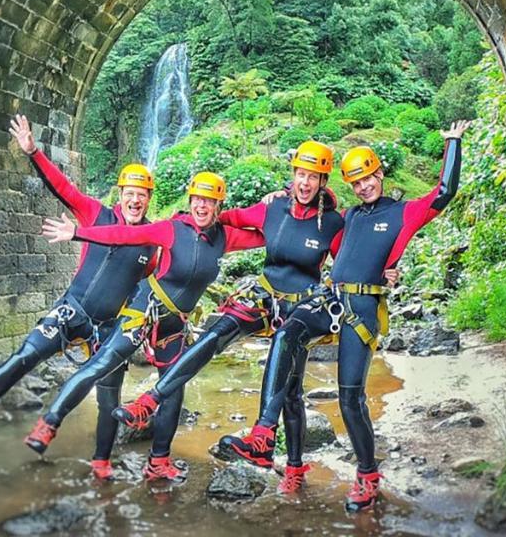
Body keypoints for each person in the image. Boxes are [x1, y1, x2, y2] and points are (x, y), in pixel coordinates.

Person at [220, 121, 469, 512]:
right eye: (356, 182)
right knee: (286, 335)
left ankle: (368, 477)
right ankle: (264, 435)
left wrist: (452, 144)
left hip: (363, 310)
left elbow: (444, 192)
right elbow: (316, 204)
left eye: (368, 178)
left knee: (350, 400)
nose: (364, 186)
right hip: (329, 300)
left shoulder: (404, 213)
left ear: (379, 175)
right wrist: (282, 195)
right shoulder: (349, 217)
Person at [109, 141, 363, 494]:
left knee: (291, 392)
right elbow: (222, 217)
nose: (305, 183)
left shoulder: (333, 223)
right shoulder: (270, 209)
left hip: (301, 308)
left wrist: (385, 274)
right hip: (262, 295)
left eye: (313, 177)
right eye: (300, 174)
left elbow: (351, 261)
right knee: (215, 334)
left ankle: (291, 468)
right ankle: (150, 400)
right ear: (293, 174)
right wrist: (185, 223)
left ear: (323, 181)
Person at [0, 115, 157, 482]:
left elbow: (150, 284)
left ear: (148, 199)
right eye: (129, 193)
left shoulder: (153, 241)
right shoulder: (96, 213)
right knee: (24, 357)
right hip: (73, 309)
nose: (134, 200)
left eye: (141, 195)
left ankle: (101, 464)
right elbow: (62, 188)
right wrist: (33, 151)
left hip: (110, 325)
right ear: (120, 194)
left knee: (109, 397)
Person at [31, 172, 263, 481]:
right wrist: (78, 233)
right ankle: (49, 423)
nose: (201, 206)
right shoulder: (171, 229)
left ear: (218, 205)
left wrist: (278, 205)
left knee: (173, 389)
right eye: (197, 200)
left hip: (174, 324)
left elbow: (271, 233)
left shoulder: (225, 237)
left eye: (209, 201)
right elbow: (122, 236)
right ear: (190, 200)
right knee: (102, 364)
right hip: (145, 308)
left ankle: (158, 462)